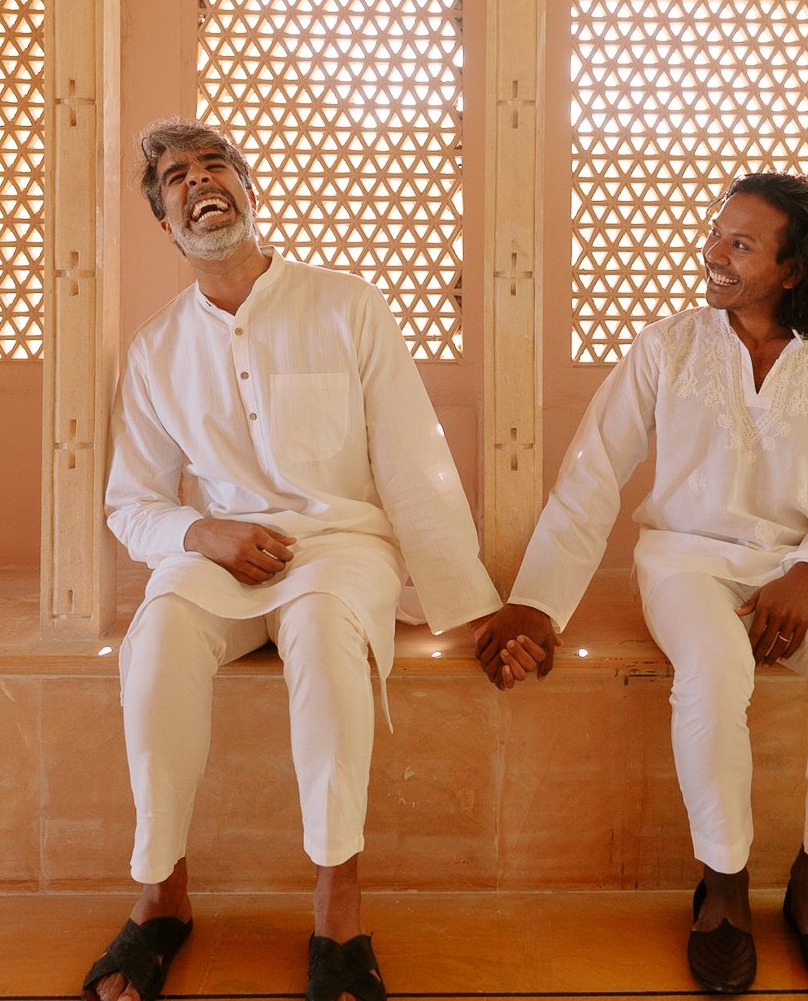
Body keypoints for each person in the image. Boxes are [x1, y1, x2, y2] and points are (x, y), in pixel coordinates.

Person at [86, 120, 500, 1001]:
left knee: (319, 626)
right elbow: (134, 503)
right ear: (165, 221)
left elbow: (410, 458)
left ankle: (336, 906)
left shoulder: (347, 305)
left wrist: (469, 605)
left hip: (342, 549)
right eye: (176, 178)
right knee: (155, 637)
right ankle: (162, 894)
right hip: (221, 552)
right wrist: (205, 535)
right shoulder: (157, 352)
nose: (201, 182)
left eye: (216, 166)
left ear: (245, 186)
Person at [476, 173, 808, 996]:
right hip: (685, 560)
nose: (714, 253)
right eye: (717, 233)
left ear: (792, 268)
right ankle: (727, 887)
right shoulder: (667, 347)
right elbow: (594, 472)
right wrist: (538, 599)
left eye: (740, 244)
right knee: (714, 672)